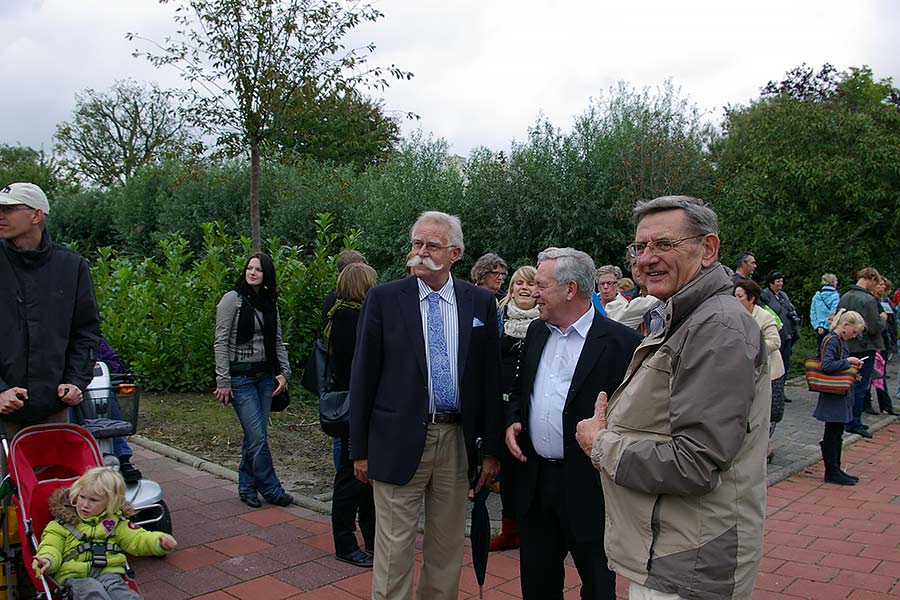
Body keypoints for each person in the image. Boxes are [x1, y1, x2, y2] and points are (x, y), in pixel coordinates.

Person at [577, 195, 770, 600]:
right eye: (640, 247)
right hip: (668, 549)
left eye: (664, 244)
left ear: (708, 249)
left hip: (688, 561)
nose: (647, 258)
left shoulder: (716, 328)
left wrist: (602, 445)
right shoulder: (683, 316)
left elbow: (695, 462)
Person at [349, 211, 501, 600]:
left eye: (432, 246)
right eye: (417, 243)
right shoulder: (384, 299)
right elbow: (363, 376)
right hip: (396, 438)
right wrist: (360, 450)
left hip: (456, 440)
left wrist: (491, 450)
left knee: (447, 545)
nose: (421, 252)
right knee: (393, 546)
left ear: (455, 253)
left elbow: (489, 380)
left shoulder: (480, 302)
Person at [505, 248, 641, 600]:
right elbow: (521, 392)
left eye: (541, 285)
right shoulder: (536, 331)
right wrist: (514, 421)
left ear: (569, 289)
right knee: (538, 586)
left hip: (589, 487)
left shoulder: (622, 343)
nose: (533, 292)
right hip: (536, 483)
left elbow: (638, 418)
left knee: (597, 586)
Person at [0, 182, 100, 439]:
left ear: (36, 215)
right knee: (8, 477)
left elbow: (86, 331)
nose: (1, 215)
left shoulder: (70, 266)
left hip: (51, 405)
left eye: (9, 209)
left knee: (52, 477)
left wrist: (75, 381)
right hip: (3, 406)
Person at [214, 253, 293, 508]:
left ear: (266, 274)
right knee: (258, 436)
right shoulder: (232, 300)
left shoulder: (270, 302)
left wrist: (285, 372)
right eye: (249, 268)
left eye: (258, 269)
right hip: (241, 379)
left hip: (266, 377)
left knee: (254, 436)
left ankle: (247, 487)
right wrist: (222, 380)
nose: (252, 273)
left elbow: (277, 338)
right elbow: (220, 341)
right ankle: (271, 488)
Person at [32, 467, 177, 599]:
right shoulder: (60, 525)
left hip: (108, 573)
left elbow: (138, 538)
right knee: (93, 593)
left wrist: (158, 541)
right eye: (82, 497)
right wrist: (47, 560)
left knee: (124, 595)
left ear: (110, 503)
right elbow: (51, 546)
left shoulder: (116, 523)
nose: (85, 504)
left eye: (93, 500)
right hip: (74, 576)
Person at [325, 263, 378, 568]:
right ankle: (345, 543)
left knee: (363, 477)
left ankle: (371, 538)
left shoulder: (343, 314)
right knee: (349, 477)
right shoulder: (349, 317)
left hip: (358, 405)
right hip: (354, 407)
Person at [490, 265, 539, 552]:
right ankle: (509, 530)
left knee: (532, 470)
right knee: (507, 470)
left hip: (534, 408)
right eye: (517, 282)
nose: (523, 287)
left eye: (529, 283)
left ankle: (533, 529)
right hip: (504, 404)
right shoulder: (499, 317)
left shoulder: (548, 321)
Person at [321, 250, 368, 472]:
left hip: (343, 381)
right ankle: (344, 472)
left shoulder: (342, 307)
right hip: (346, 383)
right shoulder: (345, 310)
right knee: (344, 433)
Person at [812, 309, 866, 485]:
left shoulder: (838, 340)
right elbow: (827, 365)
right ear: (845, 325)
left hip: (839, 393)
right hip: (833, 393)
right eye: (854, 331)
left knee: (837, 431)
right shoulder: (832, 340)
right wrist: (848, 362)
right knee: (833, 431)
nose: (854, 336)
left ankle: (835, 468)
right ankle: (832, 471)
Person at [734, 279, 785, 463]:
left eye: (739, 296)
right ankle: (763, 448)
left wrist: (751, 348)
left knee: (766, 412)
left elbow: (775, 342)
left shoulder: (764, 316)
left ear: (751, 298)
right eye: (734, 295)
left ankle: (764, 448)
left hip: (769, 371)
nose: (735, 299)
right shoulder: (736, 315)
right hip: (745, 371)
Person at [836, 267, 886, 438]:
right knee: (859, 385)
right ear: (871, 278)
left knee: (848, 383)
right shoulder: (868, 300)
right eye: (876, 282)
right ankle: (853, 421)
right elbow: (873, 327)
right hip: (865, 347)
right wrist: (883, 320)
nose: (876, 286)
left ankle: (846, 418)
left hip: (848, 346)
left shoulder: (844, 296)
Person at [97, 338, 142, 483]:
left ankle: (123, 459)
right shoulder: (57, 341)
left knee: (108, 396)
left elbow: (116, 364)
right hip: (70, 392)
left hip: (95, 390)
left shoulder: (94, 340)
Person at [760, 270, 801, 402]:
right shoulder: (765, 295)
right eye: (778, 281)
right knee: (775, 363)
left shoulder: (783, 295)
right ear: (771, 282)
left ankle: (781, 391)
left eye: (782, 281)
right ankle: (772, 391)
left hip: (788, 332)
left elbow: (790, 308)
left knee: (785, 363)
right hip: (776, 333)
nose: (780, 283)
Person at [810, 273, 840, 347]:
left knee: (820, 350)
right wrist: (827, 326)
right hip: (830, 327)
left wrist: (818, 326)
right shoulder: (835, 296)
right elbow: (833, 312)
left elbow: (813, 313)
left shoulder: (817, 296)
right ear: (833, 282)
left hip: (819, 329)